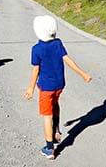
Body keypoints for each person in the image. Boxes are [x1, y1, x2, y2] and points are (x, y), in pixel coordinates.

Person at [23, 15, 91, 159]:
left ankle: (49, 149)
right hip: (59, 85)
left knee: (47, 116)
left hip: (46, 88)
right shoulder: (58, 43)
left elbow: (36, 70)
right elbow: (68, 60)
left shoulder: (36, 49)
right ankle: (56, 129)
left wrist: (30, 88)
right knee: (55, 103)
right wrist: (83, 74)